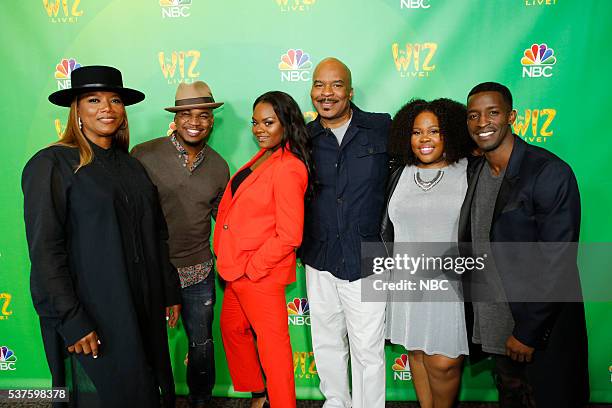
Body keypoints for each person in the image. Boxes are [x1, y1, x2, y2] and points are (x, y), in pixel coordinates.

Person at [21, 65, 181, 408]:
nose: (106, 108)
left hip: (140, 302)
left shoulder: (132, 165)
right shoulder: (53, 164)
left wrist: (168, 291)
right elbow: (45, 250)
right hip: (92, 309)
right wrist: (72, 318)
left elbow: (156, 231)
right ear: (76, 110)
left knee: (144, 390)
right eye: (93, 100)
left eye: (114, 101)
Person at [459, 82, 589, 407]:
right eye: (473, 115)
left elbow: (558, 262)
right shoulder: (475, 170)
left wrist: (529, 331)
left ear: (512, 116)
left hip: (537, 333)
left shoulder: (548, 172)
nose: (482, 122)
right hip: (496, 329)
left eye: (493, 113)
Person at [131, 81, 229, 408]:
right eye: (186, 114)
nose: (195, 122)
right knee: (147, 343)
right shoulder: (143, 155)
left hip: (198, 271)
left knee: (201, 344)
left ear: (212, 120)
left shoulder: (219, 166)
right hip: (153, 271)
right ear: (176, 117)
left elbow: (225, 222)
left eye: (203, 115)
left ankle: (201, 400)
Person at [299, 57, 390, 408]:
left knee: (367, 347)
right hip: (319, 256)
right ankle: (336, 402)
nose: (327, 93)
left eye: (336, 85)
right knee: (326, 341)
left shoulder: (381, 128)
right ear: (311, 91)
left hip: (367, 256)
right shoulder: (302, 138)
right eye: (320, 84)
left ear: (350, 91)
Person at [213, 91, 310, 408]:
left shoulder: (289, 167)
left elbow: (290, 235)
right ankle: (259, 392)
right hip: (236, 269)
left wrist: (253, 269)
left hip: (258, 273)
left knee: (273, 346)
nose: (259, 129)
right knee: (232, 328)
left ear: (287, 123)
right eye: (255, 122)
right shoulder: (265, 156)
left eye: (268, 122)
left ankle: (283, 403)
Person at [381, 98, 475, 407]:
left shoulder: (470, 171)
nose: (425, 139)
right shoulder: (400, 172)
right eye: (417, 132)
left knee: (444, 363)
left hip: (453, 286)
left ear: (450, 133)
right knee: (417, 354)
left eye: (434, 131)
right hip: (408, 281)